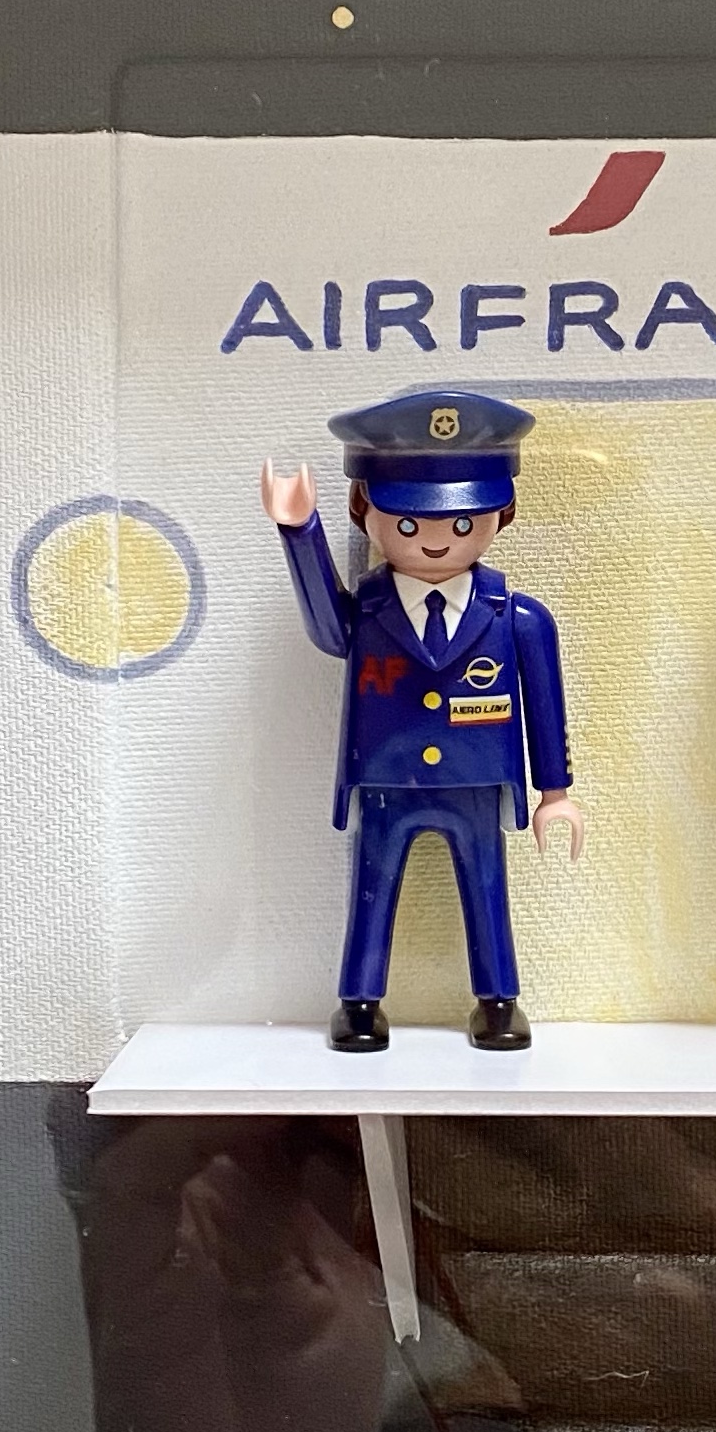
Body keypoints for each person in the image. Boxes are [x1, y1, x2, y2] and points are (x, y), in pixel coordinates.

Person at [261, 389, 584, 1051]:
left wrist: (556, 792)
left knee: (487, 890)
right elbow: (326, 628)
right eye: (408, 524)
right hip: (387, 778)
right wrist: (299, 531)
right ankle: (359, 1000)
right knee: (372, 889)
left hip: (476, 779)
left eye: (462, 522)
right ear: (366, 511)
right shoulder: (368, 612)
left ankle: (498, 999)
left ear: (501, 512)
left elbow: (546, 705)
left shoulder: (518, 618)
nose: (437, 540)